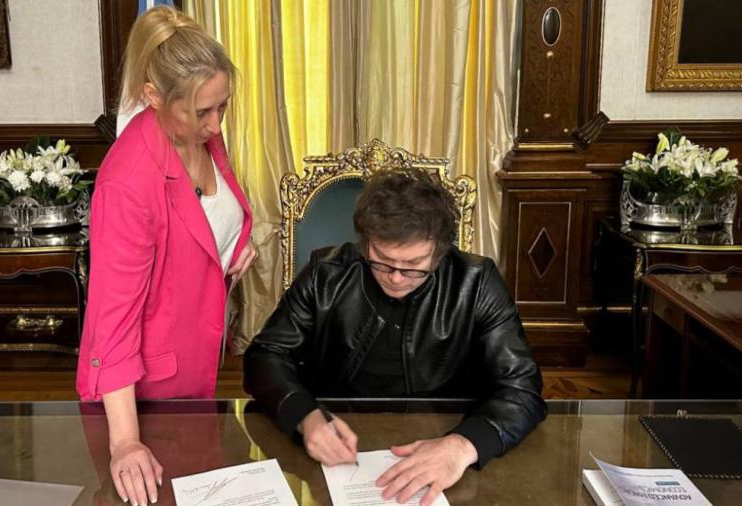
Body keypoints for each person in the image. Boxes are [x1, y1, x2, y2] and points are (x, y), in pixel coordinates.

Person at [244, 169, 545, 506]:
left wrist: (463, 445)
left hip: (445, 435)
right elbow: (265, 355)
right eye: (383, 262)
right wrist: (305, 416)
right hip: (339, 439)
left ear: (440, 252)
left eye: (413, 265)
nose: (397, 278)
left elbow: (522, 388)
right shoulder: (325, 273)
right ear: (366, 243)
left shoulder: (475, 283)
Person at [76, 6, 256, 506]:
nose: (216, 125)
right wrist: (125, 443)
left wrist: (237, 244)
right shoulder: (127, 182)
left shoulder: (198, 131)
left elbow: (207, 218)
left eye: (223, 106)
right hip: (143, 398)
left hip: (195, 369)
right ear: (154, 97)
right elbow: (112, 321)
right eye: (203, 112)